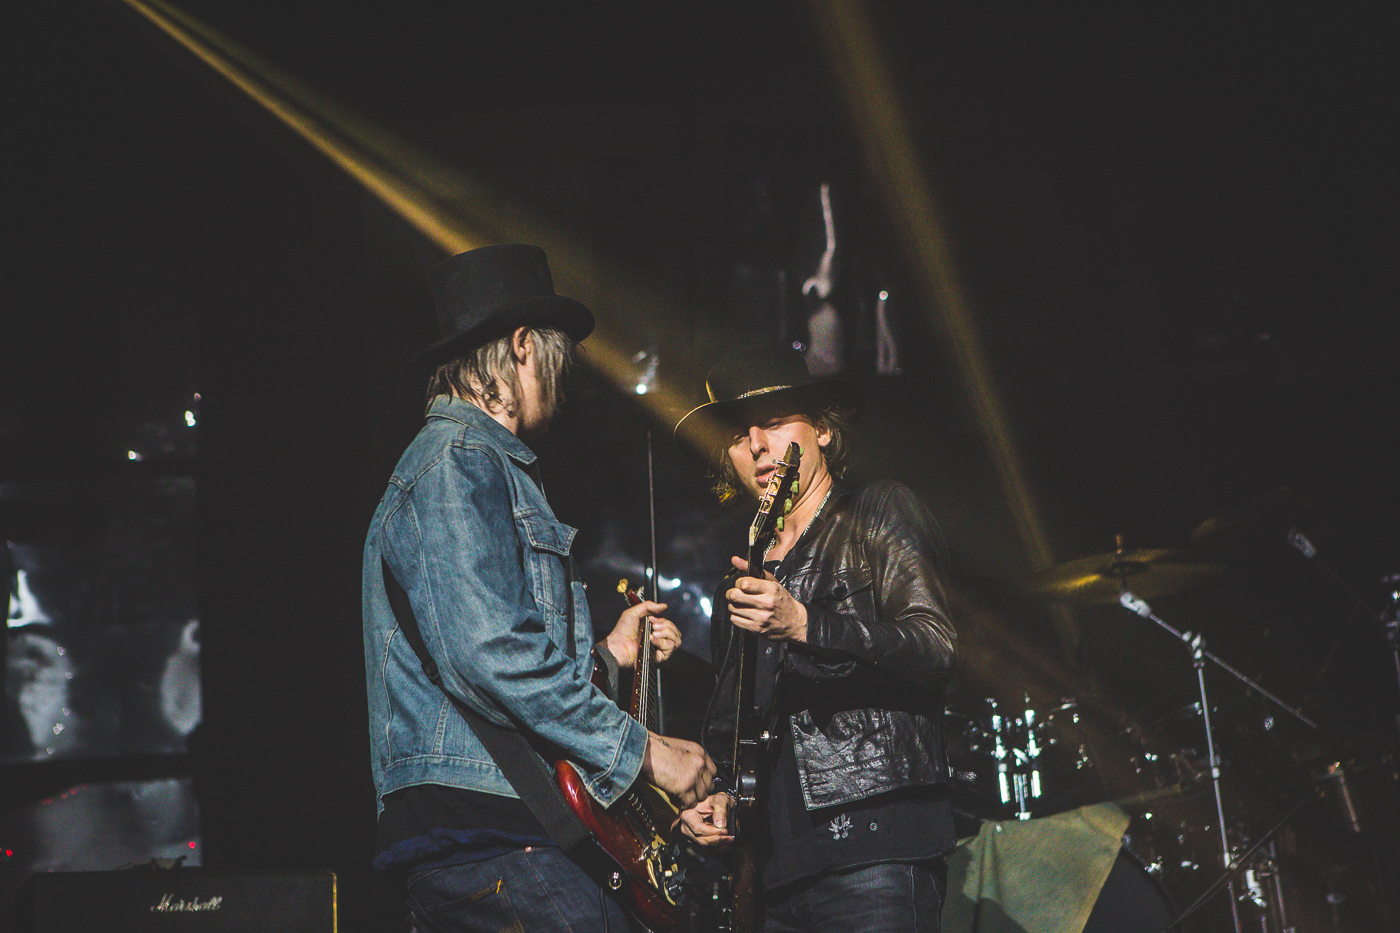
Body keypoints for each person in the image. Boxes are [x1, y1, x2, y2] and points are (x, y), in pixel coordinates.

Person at [363, 244, 715, 932]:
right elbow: (488, 653)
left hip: (503, 833)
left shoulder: (484, 465)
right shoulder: (456, 462)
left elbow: (495, 657)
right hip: (489, 838)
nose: (566, 381)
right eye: (559, 358)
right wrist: (645, 751)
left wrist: (609, 657)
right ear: (522, 347)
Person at [675, 345, 958, 933]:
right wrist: (721, 796)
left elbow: (935, 647)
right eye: (736, 434)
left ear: (823, 429)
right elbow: (740, 728)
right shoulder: (739, 579)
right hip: (774, 870)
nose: (755, 445)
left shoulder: (878, 513)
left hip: (873, 851)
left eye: (774, 423)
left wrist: (805, 624)